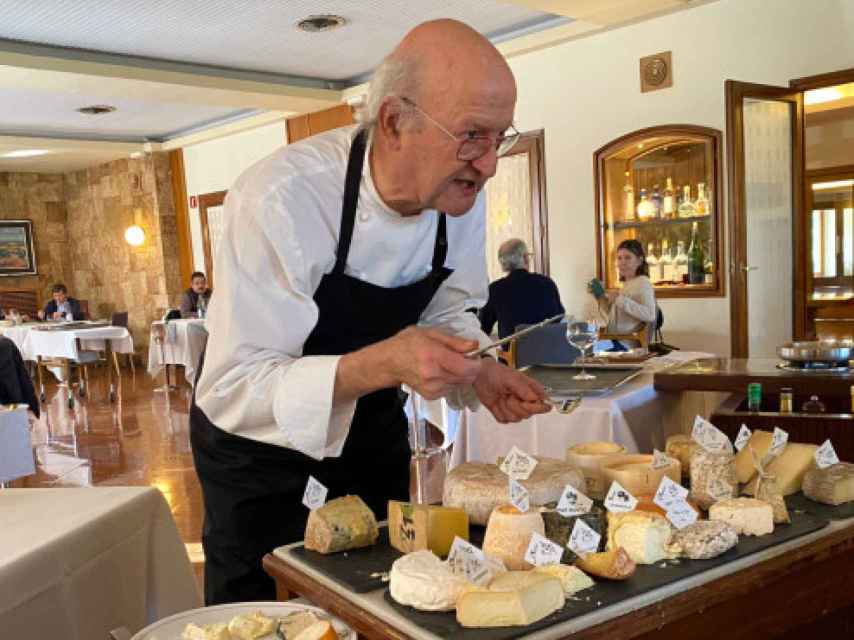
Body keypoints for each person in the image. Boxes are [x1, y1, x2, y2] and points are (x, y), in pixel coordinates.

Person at [191, 19, 551, 605]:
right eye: (471, 135)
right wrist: (384, 363)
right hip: (256, 453)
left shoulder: (454, 197)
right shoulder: (283, 198)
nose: (488, 164)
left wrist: (477, 370)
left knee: (379, 592)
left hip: (370, 430)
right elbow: (235, 384)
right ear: (393, 122)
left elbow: (451, 311)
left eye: (498, 138)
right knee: (261, 608)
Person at [479, 238, 564, 339]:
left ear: (502, 263)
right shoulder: (547, 283)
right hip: (550, 351)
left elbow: (483, 328)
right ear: (526, 258)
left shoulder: (495, 289)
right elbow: (559, 317)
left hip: (515, 353)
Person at [593, 239, 657, 348]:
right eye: (619, 258)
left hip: (624, 344)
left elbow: (650, 315)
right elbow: (614, 316)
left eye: (628, 257)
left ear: (640, 260)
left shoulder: (643, 282)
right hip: (613, 341)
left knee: (579, 349)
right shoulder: (626, 284)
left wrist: (619, 299)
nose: (622, 262)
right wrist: (600, 297)